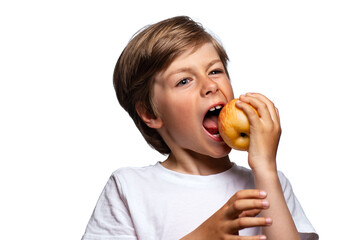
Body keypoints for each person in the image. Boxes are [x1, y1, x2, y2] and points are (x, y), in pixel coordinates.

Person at [81, 16, 318, 240]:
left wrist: (266, 168)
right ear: (150, 113)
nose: (210, 85)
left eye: (215, 71)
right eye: (184, 80)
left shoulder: (269, 183)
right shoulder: (129, 188)